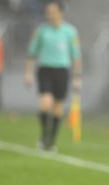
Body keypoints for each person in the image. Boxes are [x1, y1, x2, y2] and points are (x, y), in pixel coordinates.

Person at [24, 0, 82, 151]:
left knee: (57, 108)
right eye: (48, 11)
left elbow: (76, 57)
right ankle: (44, 136)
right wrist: (28, 73)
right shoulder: (41, 31)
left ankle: (51, 141)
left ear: (60, 12)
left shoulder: (70, 31)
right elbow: (32, 53)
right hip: (45, 70)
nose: (49, 14)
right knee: (45, 104)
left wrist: (77, 77)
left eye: (52, 11)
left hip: (62, 71)